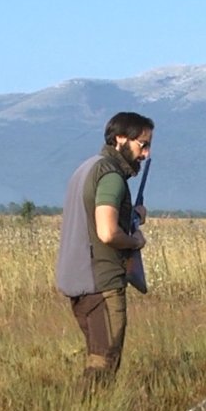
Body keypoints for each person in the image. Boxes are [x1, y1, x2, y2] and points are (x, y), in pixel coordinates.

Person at [55, 112, 153, 387]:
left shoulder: (88, 167)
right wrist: (136, 241)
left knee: (97, 357)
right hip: (101, 282)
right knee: (104, 364)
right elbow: (107, 232)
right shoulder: (111, 176)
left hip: (79, 280)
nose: (145, 153)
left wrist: (130, 215)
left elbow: (92, 217)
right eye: (141, 144)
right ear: (120, 138)